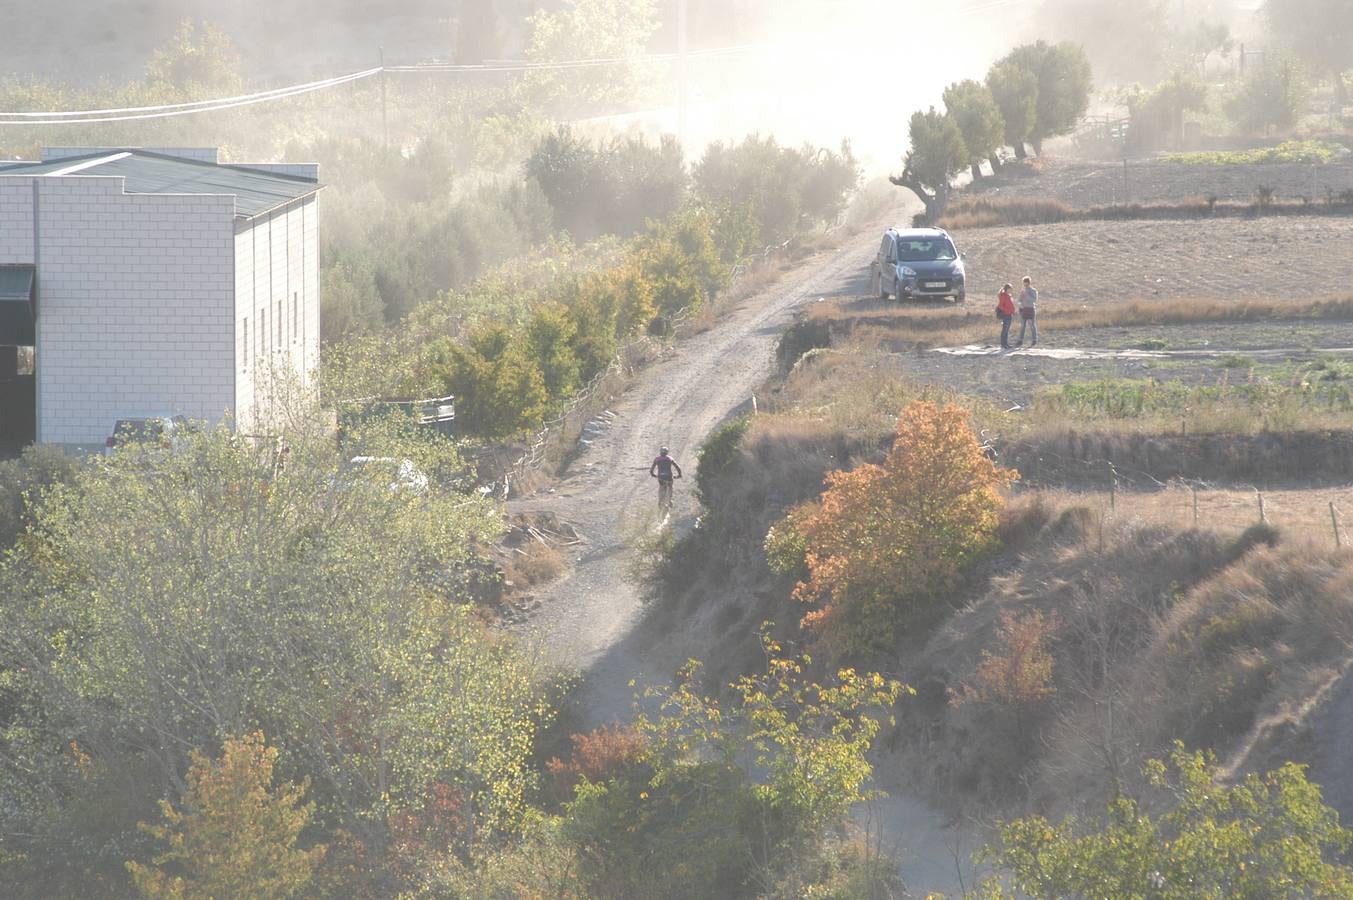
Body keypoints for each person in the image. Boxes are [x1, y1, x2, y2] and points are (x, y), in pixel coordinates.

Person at [650, 446, 682, 512]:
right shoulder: (669, 458)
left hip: (660, 477)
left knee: (661, 487)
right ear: (667, 452)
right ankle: (669, 501)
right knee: (670, 487)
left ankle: (660, 501)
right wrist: (679, 475)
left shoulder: (657, 459)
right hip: (669, 476)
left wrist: (653, 474)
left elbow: (651, 470)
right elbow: (678, 467)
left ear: (660, 452)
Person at [1016, 275, 1038, 346]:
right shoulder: (1022, 291)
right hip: (1023, 310)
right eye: (1024, 282)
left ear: (1029, 282)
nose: (1025, 284)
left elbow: (1034, 300)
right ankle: (1020, 340)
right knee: (1022, 326)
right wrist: (1020, 304)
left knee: (1032, 325)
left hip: (1031, 309)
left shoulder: (1033, 291)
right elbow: (1019, 300)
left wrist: (1027, 295)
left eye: (1026, 282)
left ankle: (1034, 339)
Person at [996, 283, 1016, 350]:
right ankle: (1003, 344)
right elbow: (1000, 306)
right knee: (1005, 330)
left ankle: (1006, 344)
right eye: (1010, 288)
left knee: (1007, 330)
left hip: (1010, 315)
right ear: (1007, 289)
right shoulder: (1003, 296)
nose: (1011, 290)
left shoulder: (1009, 296)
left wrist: (1012, 311)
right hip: (1006, 315)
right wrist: (1008, 311)